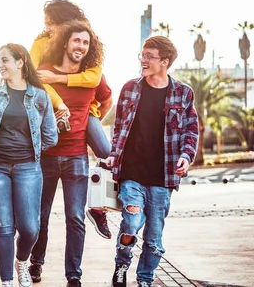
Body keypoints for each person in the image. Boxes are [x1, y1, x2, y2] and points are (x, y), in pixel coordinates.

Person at [29, 20, 113, 287]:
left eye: (86, 42)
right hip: (47, 157)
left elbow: (107, 97)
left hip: (77, 157)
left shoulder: (91, 75)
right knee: (40, 216)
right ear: (65, 42)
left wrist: (93, 116)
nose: (81, 46)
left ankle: (73, 276)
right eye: (76, 40)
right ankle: (36, 263)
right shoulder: (44, 72)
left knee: (75, 217)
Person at [0, 43, 58, 287]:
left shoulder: (39, 96)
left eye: (5, 60)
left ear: (20, 63)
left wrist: (30, 148)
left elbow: (50, 135)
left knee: (30, 228)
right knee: (4, 227)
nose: (1, 65)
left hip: (28, 168)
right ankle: (7, 282)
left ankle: (22, 261)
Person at [110, 36, 198, 287]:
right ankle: (122, 263)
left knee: (153, 236)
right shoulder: (130, 88)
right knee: (131, 223)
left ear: (165, 62)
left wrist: (186, 156)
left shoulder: (183, 93)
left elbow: (191, 131)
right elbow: (118, 128)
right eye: (142, 55)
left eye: (149, 56)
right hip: (131, 173)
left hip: (163, 176)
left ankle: (145, 279)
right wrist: (113, 156)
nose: (143, 60)